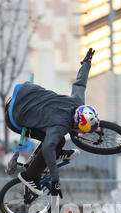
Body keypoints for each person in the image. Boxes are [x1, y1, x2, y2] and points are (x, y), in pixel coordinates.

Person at [5, 47, 99, 197]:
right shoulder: (60, 126)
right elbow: (48, 148)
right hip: (14, 117)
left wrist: (86, 63)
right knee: (56, 142)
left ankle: (57, 153)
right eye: (83, 130)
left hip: (22, 92)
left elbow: (80, 84)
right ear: (78, 125)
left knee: (53, 141)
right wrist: (55, 179)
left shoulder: (77, 101)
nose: (81, 133)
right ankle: (29, 176)